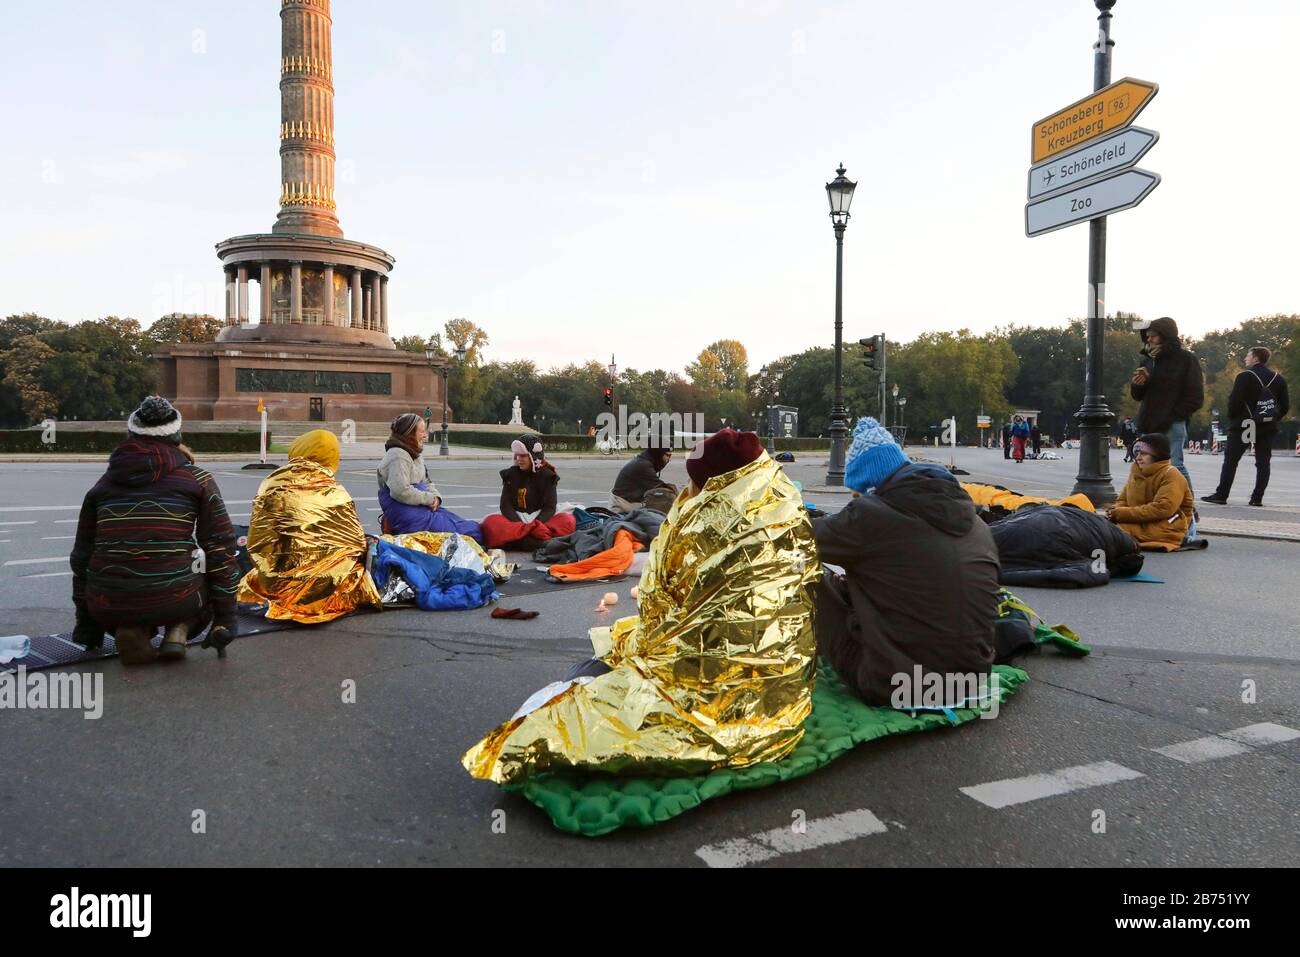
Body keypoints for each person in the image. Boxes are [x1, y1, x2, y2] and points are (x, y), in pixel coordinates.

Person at [462, 429, 820, 783]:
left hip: (713, 685)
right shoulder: (784, 511)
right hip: (786, 690)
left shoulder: (701, 526)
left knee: (585, 689)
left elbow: (660, 613)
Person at [811, 418, 998, 705]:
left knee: (805, 569)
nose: (854, 502)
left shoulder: (871, 516)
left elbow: (798, 537)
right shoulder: (976, 523)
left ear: (872, 489)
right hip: (972, 678)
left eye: (856, 495)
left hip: (892, 684)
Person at [70, 396, 240, 664]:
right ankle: (178, 629)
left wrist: (87, 624)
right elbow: (221, 548)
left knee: (111, 571)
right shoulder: (197, 479)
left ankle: (131, 628)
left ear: (130, 433)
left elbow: (81, 556)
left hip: (106, 603)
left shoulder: (103, 484)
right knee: (210, 559)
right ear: (177, 435)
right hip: (178, 599)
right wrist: (226, 619)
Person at [238, 429, 382, 623]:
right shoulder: (337, 492)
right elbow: (356, 544)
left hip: (276, 585)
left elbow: (256, 544)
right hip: (329, 586)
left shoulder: (271, 484)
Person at [1130, 317, 1204, 518]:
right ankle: (1157, 507)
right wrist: (1139, 383)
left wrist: (1174, 415)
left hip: (1172, 423)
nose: (1150, 339)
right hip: (1149, 423)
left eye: (1154, 335)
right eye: (1148, 336)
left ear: (1166, 335)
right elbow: (1137, 396)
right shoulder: (1148, 360)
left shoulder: (1186, 359)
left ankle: (1188, 509)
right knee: (1148, 468)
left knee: (1175, 466)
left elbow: (1196, 396)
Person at [1202, 346, 1290, 507]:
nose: (1245, 358)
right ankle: (1257, 498)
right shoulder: (1278, 379)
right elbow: (1284, 406)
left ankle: (1222, 495)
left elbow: (1234, 401)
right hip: (1267, 426)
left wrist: (1234, 418)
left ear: (1256, 358)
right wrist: (1272, 418)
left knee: (1231, 460)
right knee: (1263, 462)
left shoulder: (1244, 376)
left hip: (1244, 425)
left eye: (1248, 355)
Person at [377, 413, 482, 542]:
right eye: (422, 431)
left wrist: (436, 498)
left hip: (420, 508)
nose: (426, 435)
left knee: (463, 526)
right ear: (410, 434)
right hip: (410, 514)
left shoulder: (414, 453)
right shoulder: (398, 455)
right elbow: (401, 491)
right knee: (468, 533)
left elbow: (426, 481)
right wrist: (429, 499)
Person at [479, 435, 577, 549]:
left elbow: (550, 507)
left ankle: (517, 541)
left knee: (567, 521)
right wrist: (521, 526)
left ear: (533, 456)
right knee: (490, 523)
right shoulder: (510, 475)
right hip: (516, 520)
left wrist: (535, 525)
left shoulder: (548, 476)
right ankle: (538, 542)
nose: (519, 459)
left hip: (541, 520)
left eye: (523, 456)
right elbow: (505, 506)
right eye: (517, 455)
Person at [1105, 433, 1197, 551]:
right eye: (1136, 453)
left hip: (1170, 524)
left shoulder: (1171, 474)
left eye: (1143, 454)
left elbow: (1162, 508)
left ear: (1157, 455)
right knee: (1104, 529)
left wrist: (1121, 513)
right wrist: (1114, 511)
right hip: (1141, 521)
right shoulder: (1137, 473)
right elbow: (1123, 500)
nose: (1138, 457)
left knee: (1111, 533)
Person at [609, 444, 676, 513]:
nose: (670, 459)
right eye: (668, 455)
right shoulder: (643, 466)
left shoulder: (645, 460)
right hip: (622, 508)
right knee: (666, 500)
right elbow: (664, 489)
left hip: (629, 503)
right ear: (658, 455)